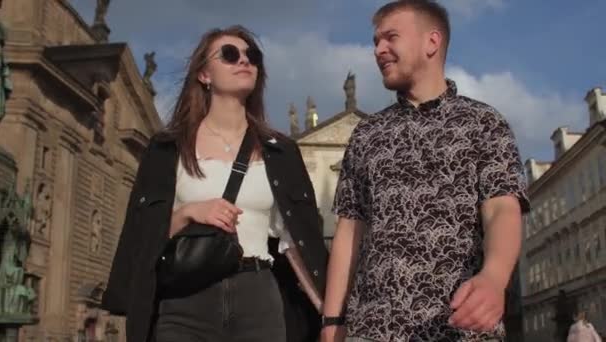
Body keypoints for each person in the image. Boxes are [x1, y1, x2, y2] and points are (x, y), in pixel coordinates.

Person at [101, 25, 328, 342]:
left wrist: (328, 314)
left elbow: (294, 241)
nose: (244, 61)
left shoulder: (281, 150)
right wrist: (188, 213)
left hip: (258, 297)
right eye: (230, 54)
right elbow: (141, 238)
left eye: (252, 56)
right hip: (186, 299)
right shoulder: (167, 148)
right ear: (204, 75)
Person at [321, 1, 530, 341]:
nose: (378, 50)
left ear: (431, 42)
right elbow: (349, 232)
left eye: (390, 37)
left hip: (460, 328)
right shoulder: (367, 133)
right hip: (373, 329)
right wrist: (331, 323)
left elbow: (503, 208)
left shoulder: (483, 123)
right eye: (375, 41)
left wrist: (494, 277)